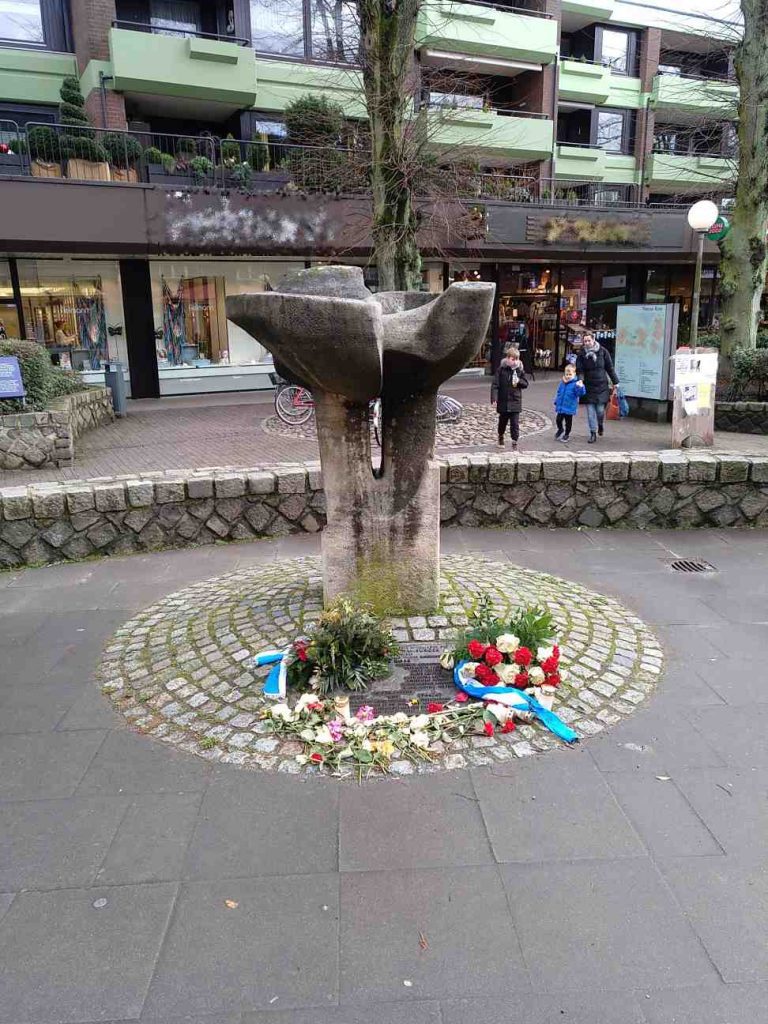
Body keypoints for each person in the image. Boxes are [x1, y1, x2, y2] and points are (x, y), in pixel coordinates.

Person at [575, 333, 619, 443]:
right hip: (588, 386)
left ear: (593, 340)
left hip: (601, 386)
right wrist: (580, 379)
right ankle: (593, 433)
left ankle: (600, 424)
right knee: (590, 413)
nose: (587, 343)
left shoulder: (603, 351)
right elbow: (579, 369)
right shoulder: (581, 354)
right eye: (585, 341)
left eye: (588, 340)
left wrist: (616, 382)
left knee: (600, 411)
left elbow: (610, 368)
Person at [491, 345, 528, 450]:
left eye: (514, 359)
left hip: (515, 401)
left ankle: (515, 441)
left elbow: (525, 383)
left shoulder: (520, 371)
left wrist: (519, 381)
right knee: (502, 421)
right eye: (510, 358)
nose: (512, 361)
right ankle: (501, 436)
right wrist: (494, 398)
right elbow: (495, 385)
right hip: (503, 401)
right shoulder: (501, 370)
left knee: (514, 424)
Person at [553, 363, 586, 443]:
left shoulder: (576, 383)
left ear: (574, 374)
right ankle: (560, 429)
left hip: (569, 407)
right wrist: (556, 400)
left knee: (568, 422)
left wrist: (580, 387)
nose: (568, 376)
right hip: (561, 406)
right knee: (558, 420)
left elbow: (581, 393)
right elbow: (559, 392)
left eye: (570, 374)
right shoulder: (562, 382)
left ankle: (567, 434)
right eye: (566, 374)